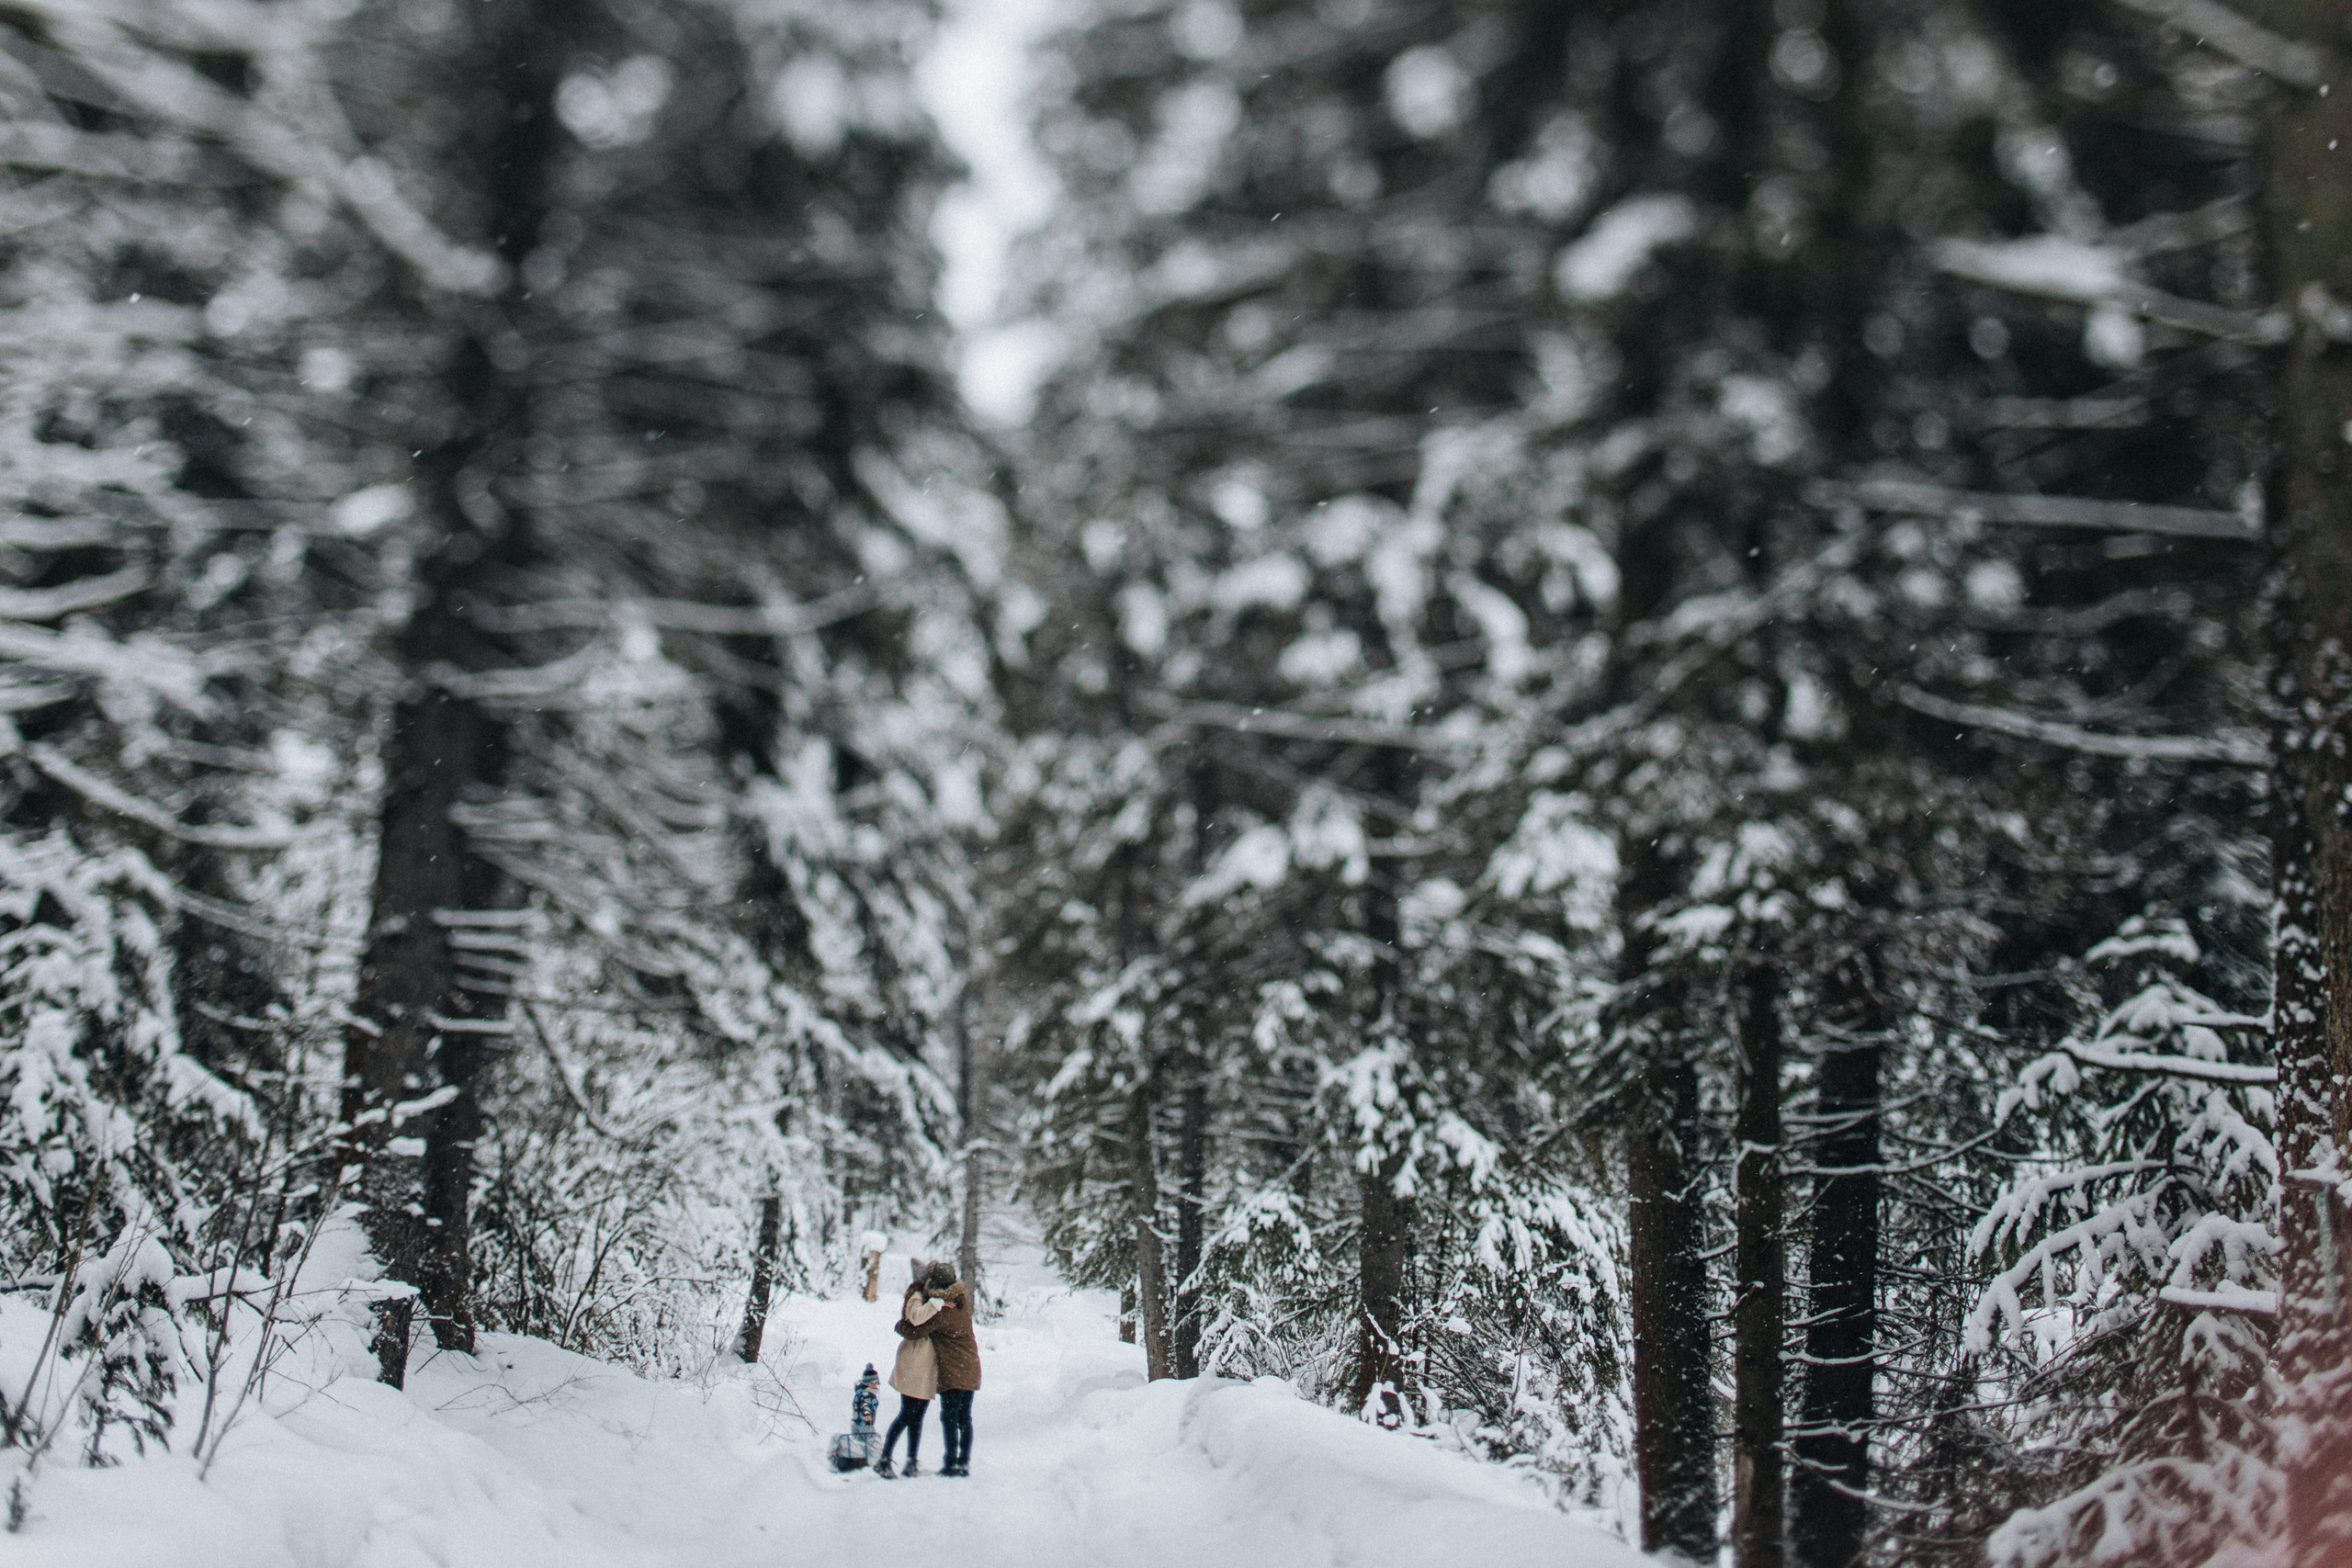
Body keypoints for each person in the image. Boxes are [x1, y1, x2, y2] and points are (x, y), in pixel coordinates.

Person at [895, 1264, 980, 1476]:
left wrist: (899, 1326)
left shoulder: (942, 1311)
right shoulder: (962, 1303)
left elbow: (915, 1330)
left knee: (949, 1417)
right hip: (971, 1367)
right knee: (964, 1418)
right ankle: (963, 1462)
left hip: (953, 1371)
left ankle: (952, 1462)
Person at [877, 1259, 948, 1477]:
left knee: (917, 1416)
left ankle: (910, 1460)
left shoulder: (927, 1298)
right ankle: (885, 1459)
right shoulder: (916, 1297)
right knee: (907, 1414)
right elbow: (915, 1318)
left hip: (926, 1365)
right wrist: (936, 1304)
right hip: (914, 1361)